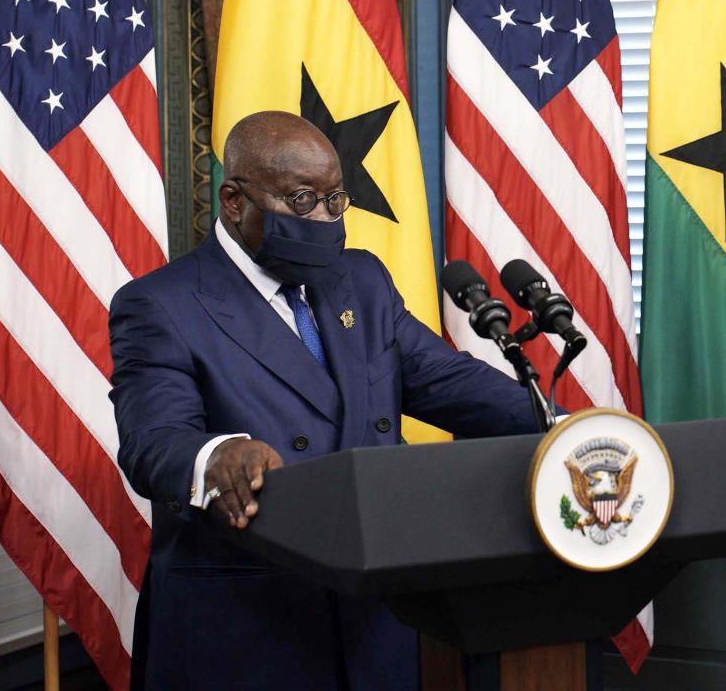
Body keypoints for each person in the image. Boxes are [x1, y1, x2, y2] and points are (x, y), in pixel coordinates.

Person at [109, 111, 543, 691]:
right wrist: (217, 456)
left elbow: (452, 384)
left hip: (376, 619)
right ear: (234, 202)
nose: (323, 219)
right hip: (250, 624)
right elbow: (153, 441)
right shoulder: (161, 304)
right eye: (302, 199)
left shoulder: (359, 280)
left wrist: (567, 426)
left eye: (334, 200)